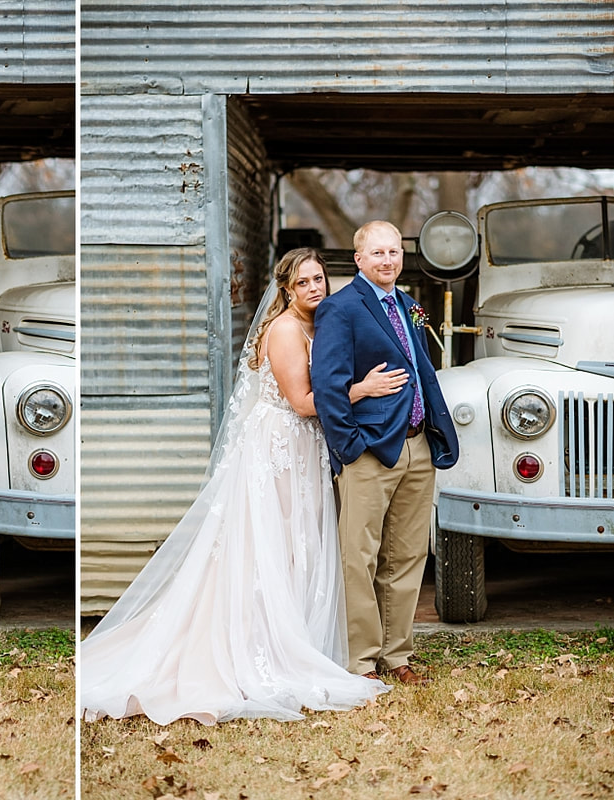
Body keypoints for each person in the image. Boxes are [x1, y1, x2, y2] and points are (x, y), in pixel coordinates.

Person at [80, 248, 405, 726]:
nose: (315, 288)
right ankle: (261, 648)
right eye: (303, 283)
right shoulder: (287, 330)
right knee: (271, 545)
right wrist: (361, 390)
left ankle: (296, 636)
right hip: (280, 447)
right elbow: (300, 401)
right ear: (286, 290)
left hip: (304, 448)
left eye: (319, 279)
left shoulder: (319, 326)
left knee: (300, 545)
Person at [310, 221, 460, 686]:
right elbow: (328, 388)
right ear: (358, 259)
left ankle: (398, 656)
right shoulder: (340, 309)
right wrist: (350, 448)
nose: (388, 260)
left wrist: (436, 431)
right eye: (377, 253)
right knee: (361, 556)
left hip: (416, 445)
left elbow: (423, 374)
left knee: (409, 555)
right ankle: (362, 662)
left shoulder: (409, 305)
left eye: (394, 252)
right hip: (370, 452)